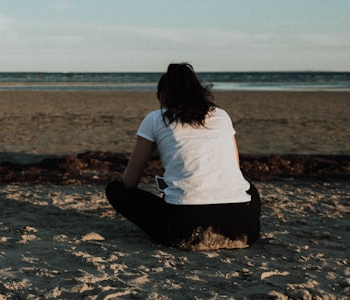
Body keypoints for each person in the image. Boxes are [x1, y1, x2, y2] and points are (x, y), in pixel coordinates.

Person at [105, 63, 260, 250]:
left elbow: (129, 182)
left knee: (116, 190)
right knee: (247, 187)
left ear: (162, 96)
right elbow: (234, 166)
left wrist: (152, 152)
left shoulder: (156, 118)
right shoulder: (221, 115)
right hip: (244, 229)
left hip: (186, 229)